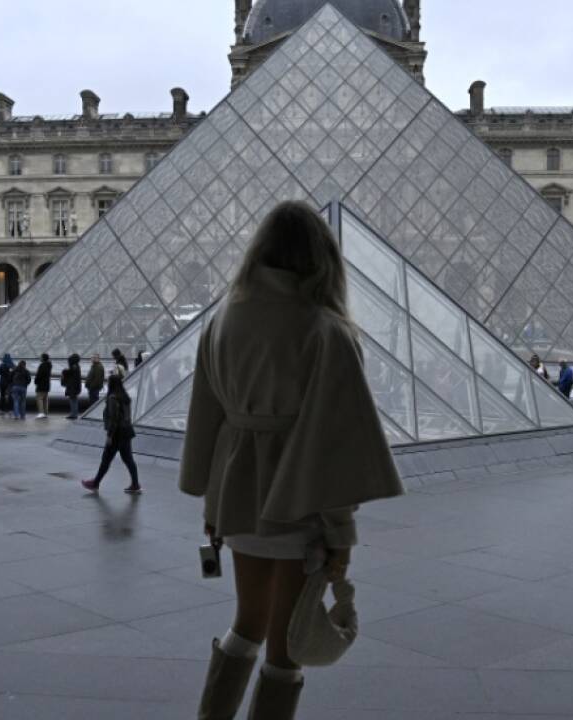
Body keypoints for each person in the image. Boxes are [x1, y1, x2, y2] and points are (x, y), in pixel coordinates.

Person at [178, 201, 404, 719]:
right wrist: (340, 536)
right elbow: (336, 446)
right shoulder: (326, 330)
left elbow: (205, 418)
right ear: (322, 256)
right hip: (298, 506)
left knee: (246, 624)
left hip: (236, 499)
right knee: (286, 649)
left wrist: (210, 501)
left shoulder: (223, 319)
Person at [80, 374, 141, 494]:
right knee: (128, 459)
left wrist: (109, 436)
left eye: (108, 382)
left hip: (117, 433)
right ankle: (135, 484)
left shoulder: (113, 398)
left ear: (111, 384)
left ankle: (95, 483)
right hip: (127, 431)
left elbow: (114, 419)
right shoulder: (125, 396)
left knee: (106, 459)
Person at [62, 354, 82, 419]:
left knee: (73, 400)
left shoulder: (74, 367)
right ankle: (73, 414)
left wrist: (65, 371)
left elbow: (70, 374)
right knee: (74, 400)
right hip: (75, 387)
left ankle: (73, 414)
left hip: (73, 387)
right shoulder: (76, 366)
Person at [35, 353, 53, 419]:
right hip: (47, 385)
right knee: (45, 399)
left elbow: (39, 375)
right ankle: (45, 413)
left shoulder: (42, 365)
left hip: (41, 385)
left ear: (43, 358)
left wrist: (36, 381)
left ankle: (41, 413)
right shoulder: (49, 365)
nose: (40, 358)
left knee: (39, 398)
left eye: (41, 357)